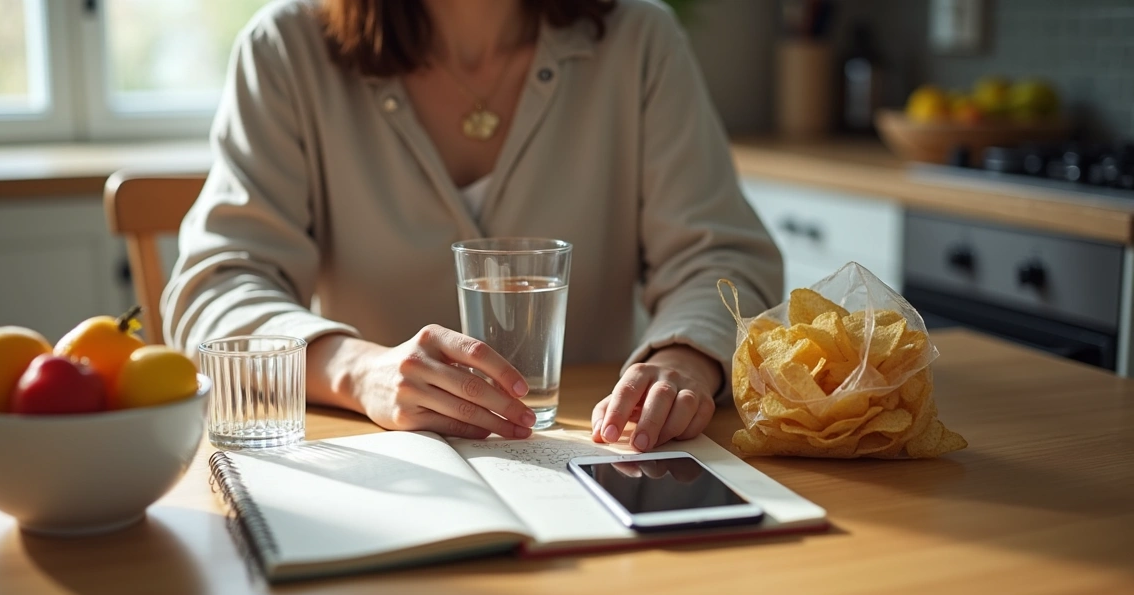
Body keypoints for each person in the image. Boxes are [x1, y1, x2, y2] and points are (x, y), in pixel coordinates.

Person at [163, 0, 782, 452]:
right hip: (381, 467)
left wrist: (684, 358)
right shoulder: (284, 50)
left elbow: (722, 258)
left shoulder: (641, 42)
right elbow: (216, 287)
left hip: (591, 454)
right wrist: (360, 370)